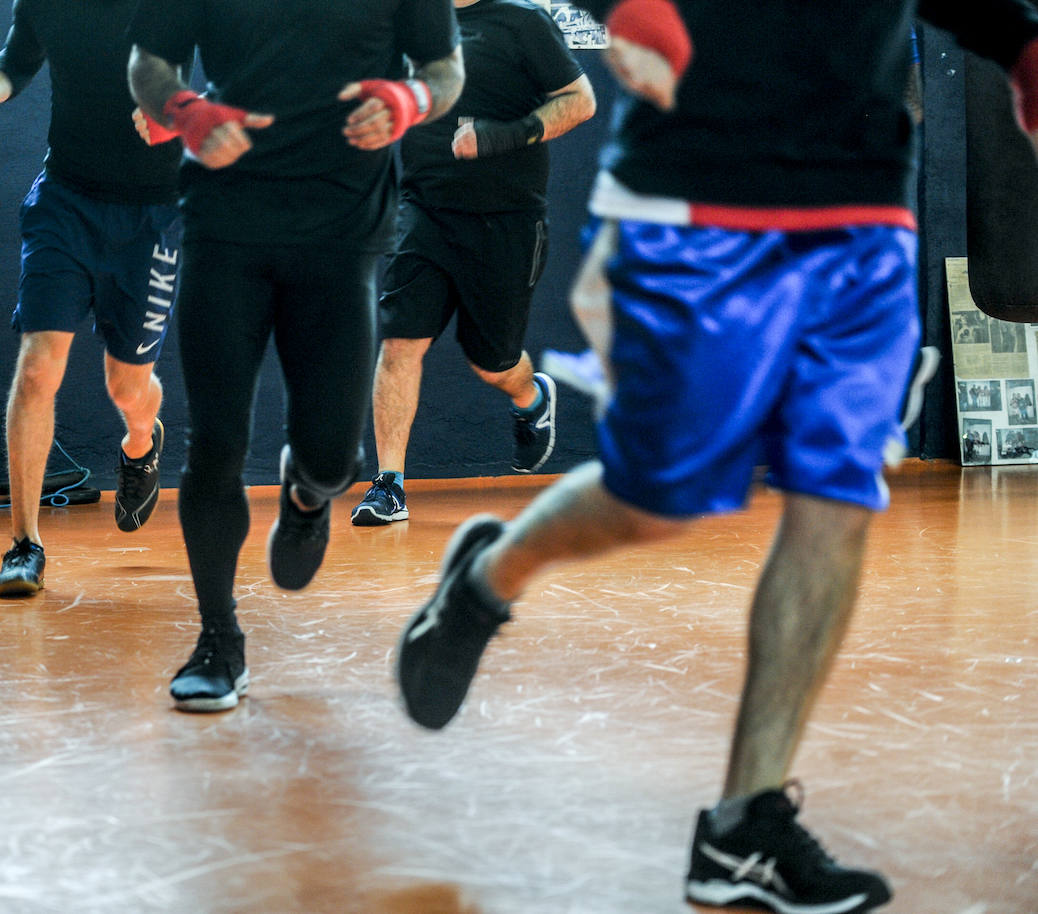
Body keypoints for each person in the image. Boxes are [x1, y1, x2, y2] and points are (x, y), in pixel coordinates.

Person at [393, 1, 1038, 912]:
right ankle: (487, 579)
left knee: (839, 491)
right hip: (692, 197)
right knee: (657, 497)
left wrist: (1016, 43)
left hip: (863, 205)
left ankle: (743, 827)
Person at [126, 0, 465, 711]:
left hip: (341, 233)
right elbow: (149, 61)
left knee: (335, 459)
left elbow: (445, 68)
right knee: (215, 444)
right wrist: (185, 110)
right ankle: (219, 638)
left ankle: (308, 490)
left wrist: (410, 99)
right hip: (226, 224)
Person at [0, 0, 184, 598]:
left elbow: (238, 74)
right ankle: (25, 546)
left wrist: (183, 119)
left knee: (127, 388)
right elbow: (16, 60)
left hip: (152, 214)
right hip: (65, 202)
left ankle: (140, 440)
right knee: (37, 368)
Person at [350, 0, 597, 527]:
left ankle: (531, 397)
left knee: (493, 363)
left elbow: (580, 100)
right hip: (423, 209)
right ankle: (388, 485)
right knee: (399, 342)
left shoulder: (523, 20)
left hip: (507, 218)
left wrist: (502, 135)